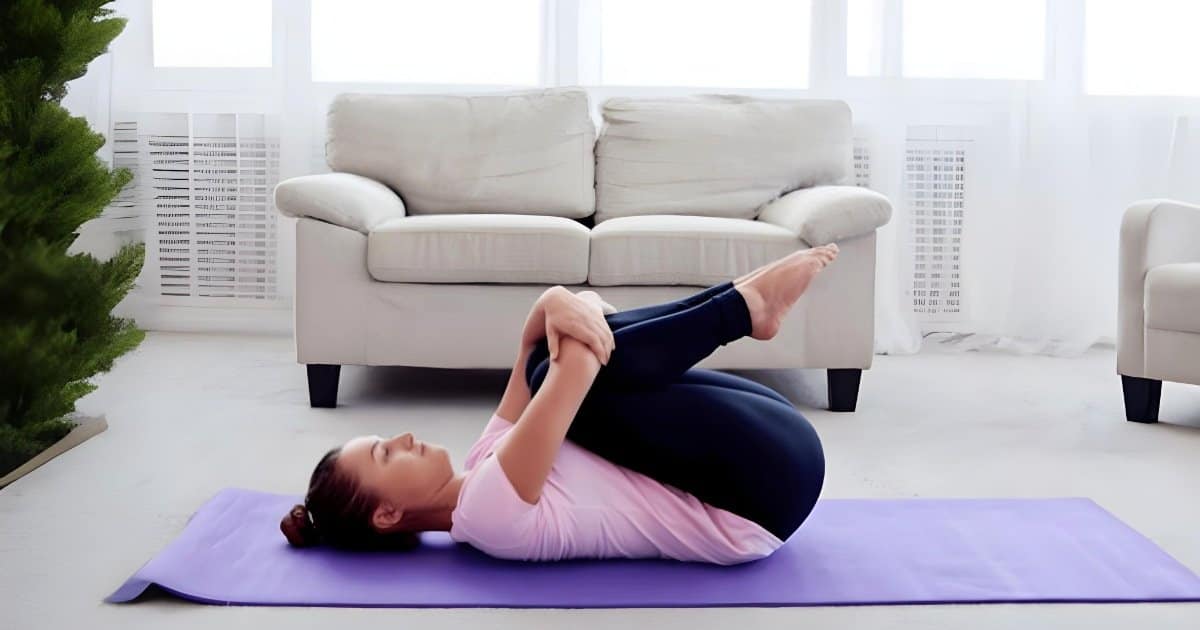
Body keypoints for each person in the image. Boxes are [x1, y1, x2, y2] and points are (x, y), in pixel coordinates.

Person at [280, 243, 840, 564]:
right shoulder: (486, 517)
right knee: (564, 377)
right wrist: (572, 305)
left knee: (547, 366)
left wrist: (556, 303)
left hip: (764, 437)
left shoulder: (484, 463)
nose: (401, 438)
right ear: (387, 515)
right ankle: (737, 308)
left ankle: (741, 306)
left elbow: (530, 347)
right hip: (760, 496)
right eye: (383, 455)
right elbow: (571, 370)